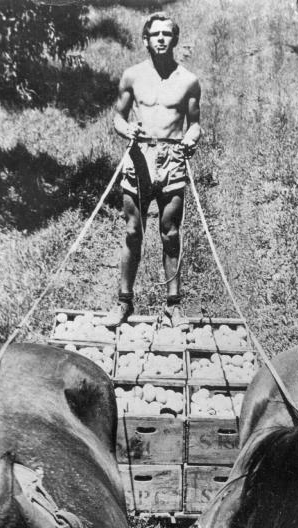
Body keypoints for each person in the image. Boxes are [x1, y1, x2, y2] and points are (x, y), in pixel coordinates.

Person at [102, 12, 201, 329]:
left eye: (167, 34)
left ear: (175, 39)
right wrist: (125, 129)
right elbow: (118, 116)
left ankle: (173, 306)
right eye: (155, 34)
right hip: (139, 158)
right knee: (133, 232)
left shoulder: (188, 81)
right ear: (146, 39)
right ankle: (123, 302)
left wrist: (189, 139)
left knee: (170, 233)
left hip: (172, 160)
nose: (161, 38)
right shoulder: (132, 76)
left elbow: (195, 125)